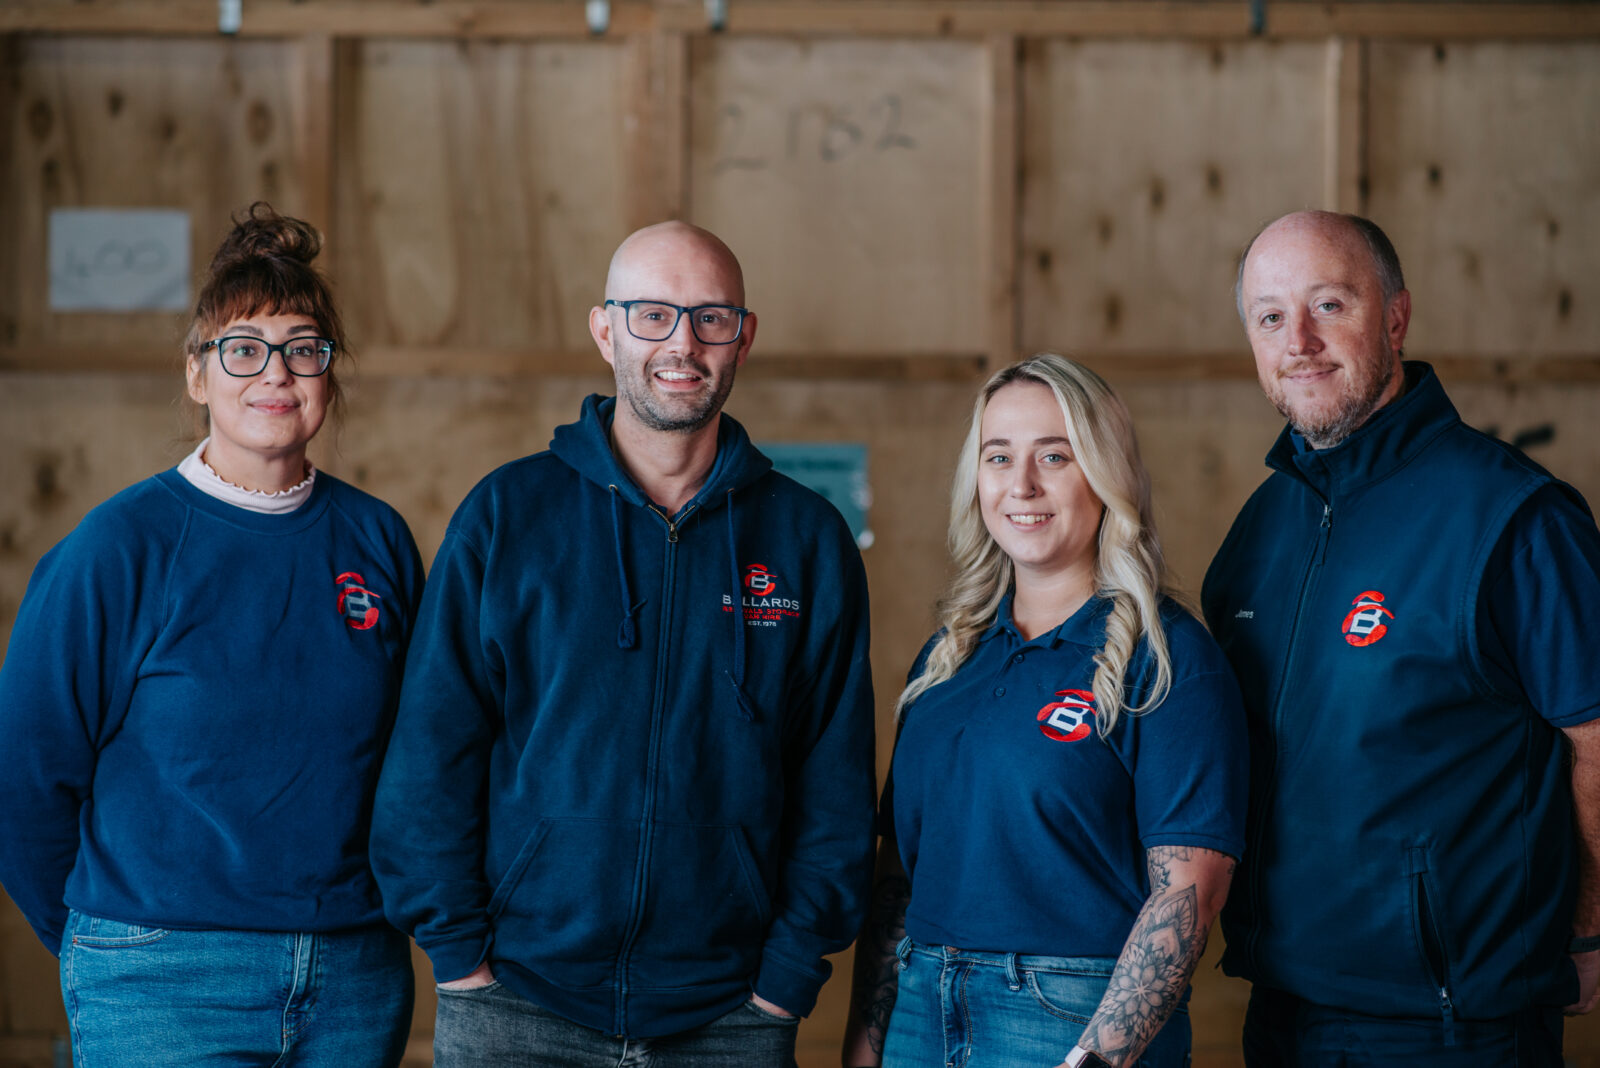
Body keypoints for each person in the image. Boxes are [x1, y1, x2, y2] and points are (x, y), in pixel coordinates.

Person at [370, 220, 877, 1066]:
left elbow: (836, 785)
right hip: (516, 1008)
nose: (681, 342)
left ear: (743, 338)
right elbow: (432, 754)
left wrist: (785, 980)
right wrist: (461, 962)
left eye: (711, 317)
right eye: (652, 315)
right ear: (605, 329)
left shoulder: (806, 541)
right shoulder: (507, 517)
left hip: (733, 1016)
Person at [0, 203, 423, 1065]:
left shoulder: (376, 541)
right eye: (243, 349)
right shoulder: (117, 550)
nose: (276, 373)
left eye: (303, 349)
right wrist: (105, 942)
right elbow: (23, 777)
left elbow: (419, 755)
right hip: (162, 978)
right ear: (199, 374)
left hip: (353, 976)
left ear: (328, 376)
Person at [1203, 210, 1600, 1064]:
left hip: (1454, 1027)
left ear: (1394, 317)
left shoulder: (1513, 517)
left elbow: (1599, 739)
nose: (1299, 339)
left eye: (1329, 305)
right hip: (1281, 1010)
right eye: (1271, 317)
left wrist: (1591, 931)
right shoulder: (1260, 530)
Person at [842, 354, 1248, 1068]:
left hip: (1067, 1019)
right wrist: (868, 1038)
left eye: (1053, 456)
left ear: (1104, 472)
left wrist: (1094, 1059)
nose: (1021, 485)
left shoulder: (1166, 657)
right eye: (999, 457)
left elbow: (1190, 892)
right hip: (921, 1010)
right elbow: (899, 874)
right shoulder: (947, 659)